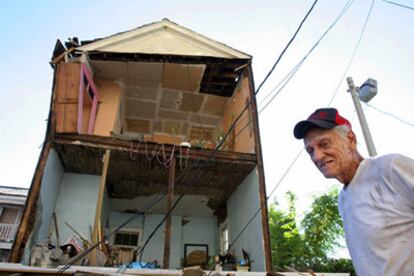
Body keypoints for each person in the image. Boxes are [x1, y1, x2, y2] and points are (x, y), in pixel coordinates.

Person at [293, 107, 414, 276]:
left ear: (350, 138)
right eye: (310, 150)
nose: (317, 156)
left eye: (324, 144)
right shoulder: (343, 199)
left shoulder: (390, 168)